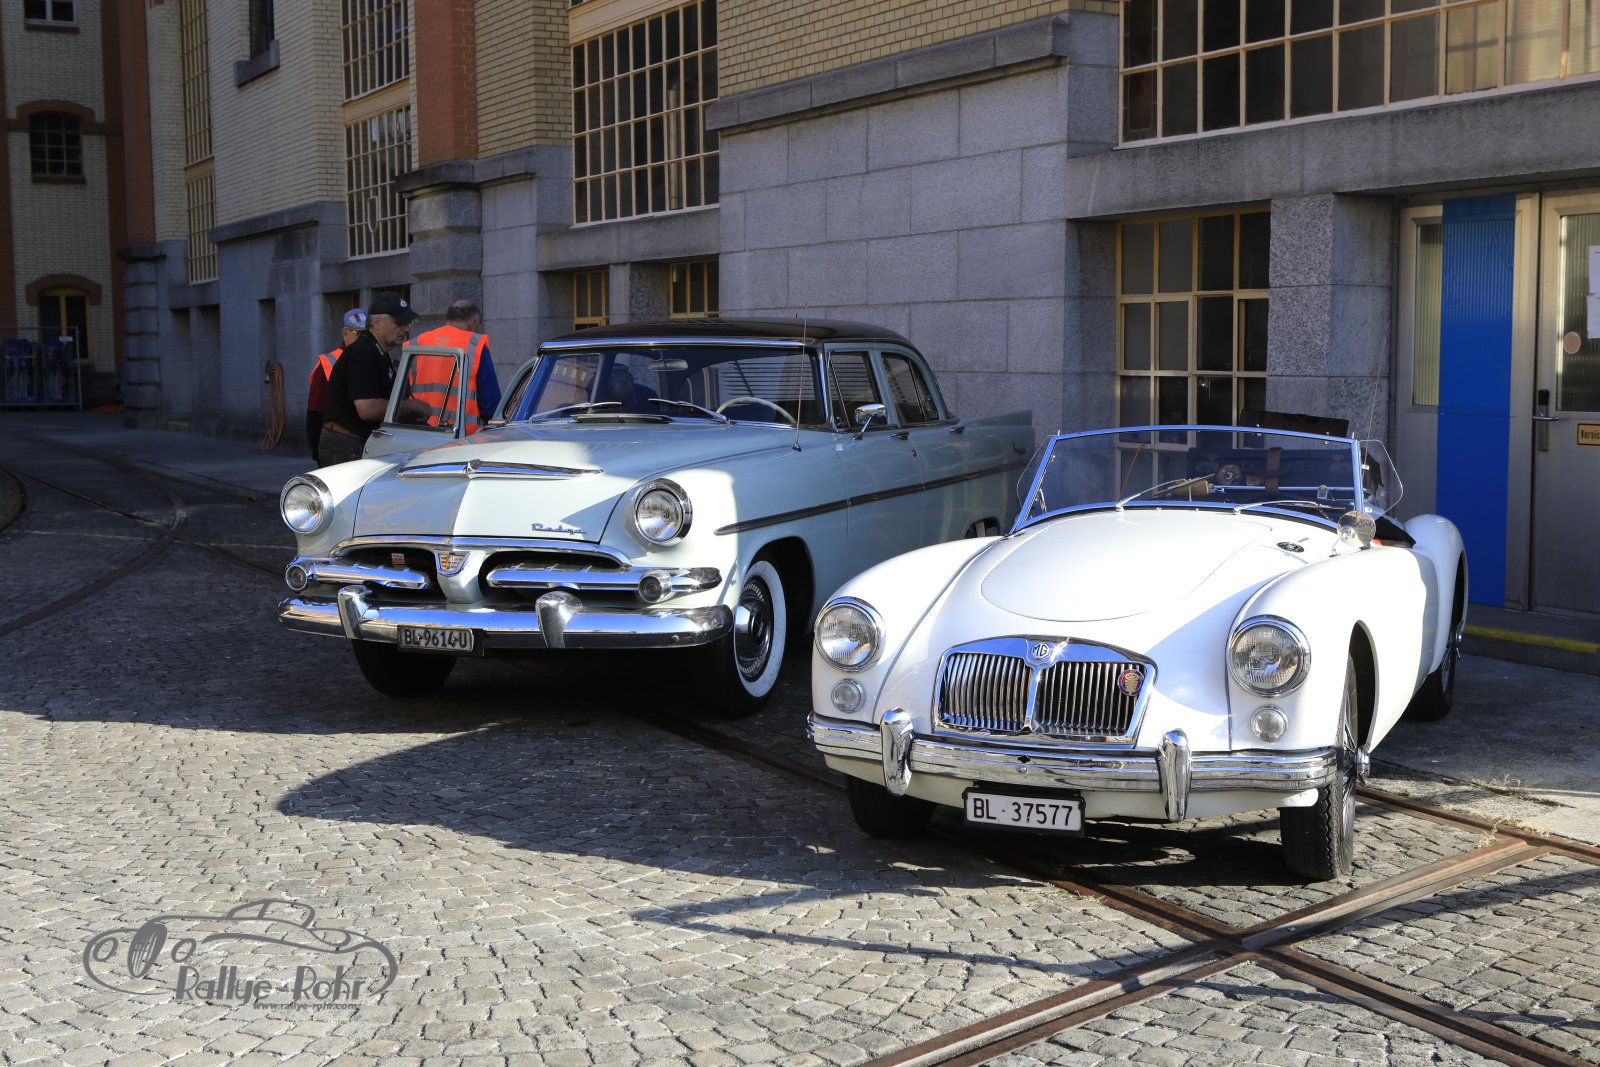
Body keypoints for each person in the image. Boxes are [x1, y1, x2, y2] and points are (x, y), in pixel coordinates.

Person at [317, 292, 423, 466]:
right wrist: (411, 406)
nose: (406, 329)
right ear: (376, 323)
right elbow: (367, 410)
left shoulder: (377, 351)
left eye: (407, 323)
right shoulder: (364, 351)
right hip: (346, 444)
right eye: (399, 323)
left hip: (354, 442)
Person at [408, 299, 501, 433]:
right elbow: (490, 402)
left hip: (419, 429)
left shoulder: (417, 342)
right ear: (473, 322)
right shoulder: (474, 345)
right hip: (460, 433)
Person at [305, 308, 365, 464]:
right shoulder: (328, 362)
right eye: (360, 334)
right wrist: (317, 452)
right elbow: (315, 411)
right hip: (338, 443)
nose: (365, 339)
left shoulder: (372, 358)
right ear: (345, 333)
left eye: (368, 334)